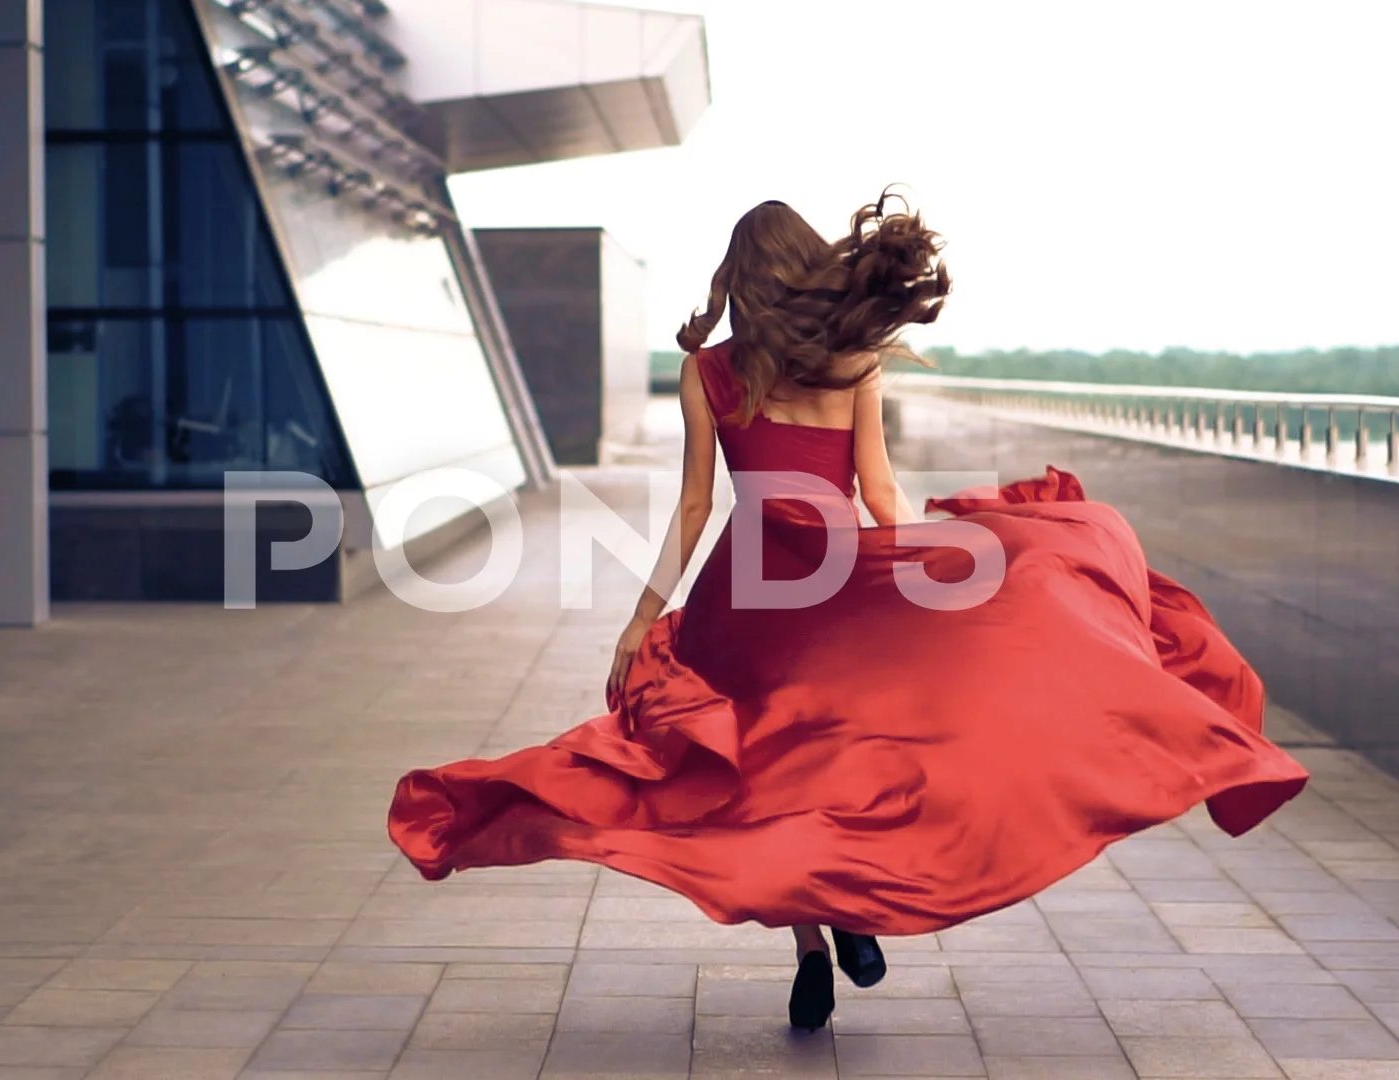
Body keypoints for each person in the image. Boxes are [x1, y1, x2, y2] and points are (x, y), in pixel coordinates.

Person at [388, 191, 1310, 1032]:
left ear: (740, 283)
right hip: (837, 581)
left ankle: (812, 951)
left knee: (761, 775)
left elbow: (698, 508)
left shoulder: (708, 374)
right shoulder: (856, 364)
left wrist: (640, 621)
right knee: (832, 758)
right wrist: (927, 578)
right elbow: (880, 496)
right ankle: (853, 910)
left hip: (751, 594)